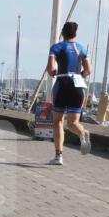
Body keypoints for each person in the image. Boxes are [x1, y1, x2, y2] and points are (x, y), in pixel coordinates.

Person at [45, 21, 92, 165]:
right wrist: (79, 75)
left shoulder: (57, 47)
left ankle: (59, 156)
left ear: (63, 33)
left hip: (62, 84)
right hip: (78, 86)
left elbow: (50, 68)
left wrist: (54, 73)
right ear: (75, 34)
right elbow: (89, 70)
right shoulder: (82, 48)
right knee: (73, 123)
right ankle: (82, 133)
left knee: (58, 121)